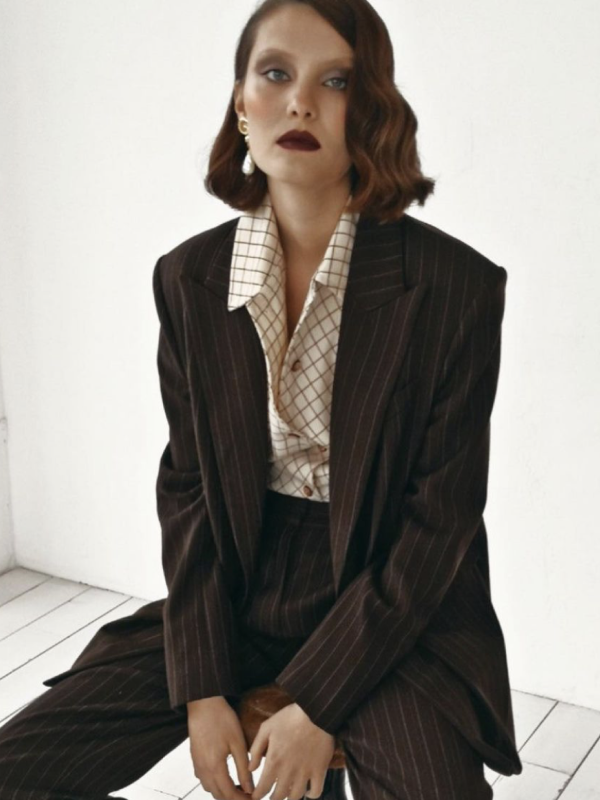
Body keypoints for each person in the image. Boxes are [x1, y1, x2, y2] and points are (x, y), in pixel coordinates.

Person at [0, 0, 524, 798]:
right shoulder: (189, 278)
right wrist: (203, 686)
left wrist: (318, 700)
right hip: (241, 586)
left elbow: (439, 522)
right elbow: (188, 490)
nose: (300, 103)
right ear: (242, 103)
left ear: (371, 108)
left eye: (336, 81)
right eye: (275, 73)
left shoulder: (454, 287)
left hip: (391, 600)